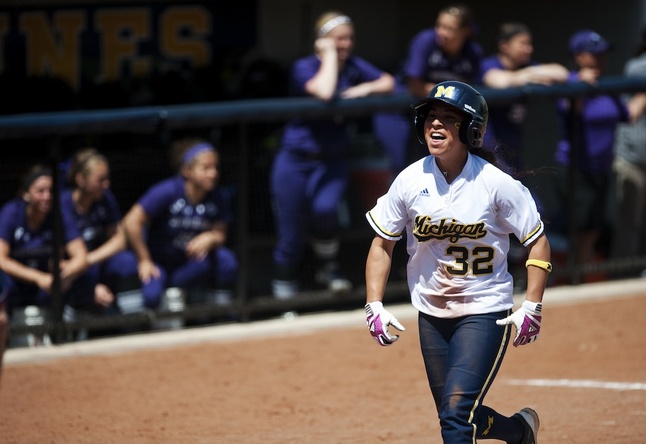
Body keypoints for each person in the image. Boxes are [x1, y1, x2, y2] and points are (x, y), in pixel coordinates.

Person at [364, 81, 550, 443]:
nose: (436, 125)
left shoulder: (495, 183)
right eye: (431, 117)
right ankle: (519, 432)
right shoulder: (410, 180)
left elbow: (537, 241)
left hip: (484, 310)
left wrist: (533, 304)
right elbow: (381, 245)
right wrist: (373, 303)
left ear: (471, 129)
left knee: (455, 415)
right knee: (460, 414)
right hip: (432, 313)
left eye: (449, 119)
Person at [270, 10, 395, 299]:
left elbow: (388, 82)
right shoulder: (305, 66)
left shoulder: (353, 66)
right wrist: (328, 55)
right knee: (290, 232)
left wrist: (364, 88)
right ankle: (282, 298)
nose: (346, 44)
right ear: (323, 41)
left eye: (349, 38)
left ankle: (327, 268)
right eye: (339, 38)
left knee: (325, 210)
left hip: (332, 158)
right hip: (295, 158)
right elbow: (325, 91)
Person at [122, 138, 238, 313]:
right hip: (159, 263)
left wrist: (211, 237)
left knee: (225, 260)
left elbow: (221, 234)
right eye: (206, 168)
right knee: (151, 296)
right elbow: (131, 221)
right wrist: (144, 259)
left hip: (188, 264)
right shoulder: (167, 190)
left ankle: (220, 314)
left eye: (215, 168)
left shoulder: (218, 196)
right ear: (187, 171)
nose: (213, 173)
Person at [373, 4, 483, 176]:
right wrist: (453, 98)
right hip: (399, 112)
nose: (441, 32)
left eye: (449, 28)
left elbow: (471, 87)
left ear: (465, 31)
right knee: (402, 169)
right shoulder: (425, 41)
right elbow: (415, 85)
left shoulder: (472, 52)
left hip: (435, 114)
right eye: (439, 26)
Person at [552, 30, 630, 267]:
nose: (601, 59)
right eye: (594, 54)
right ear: (579, 56)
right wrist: (579, 83)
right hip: (576, 169)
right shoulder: (570, 84)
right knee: (580, 229)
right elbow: (570, 107)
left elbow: (628, 114)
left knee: (593, 229)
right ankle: (573, 279)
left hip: (601, 169)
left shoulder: (607, 86)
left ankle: (582, 277)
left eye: (603, 54)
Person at [0, 164, 90, 344]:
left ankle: (66, 333)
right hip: (17, 282)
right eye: (40, 191)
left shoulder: (59, 214)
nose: (46, 196)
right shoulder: (12, 212)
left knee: (84, 278)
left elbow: (81, 256)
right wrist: (38, 277)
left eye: (50, 191)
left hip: (48, 285)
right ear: (26, 193)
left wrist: (66, 272)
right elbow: (1, 258)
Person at [61, 148, 140, 330]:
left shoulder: (105, 199)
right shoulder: (63, 203)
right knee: (74, 273)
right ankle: (71, 330)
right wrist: (85, 274)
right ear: (81, 179)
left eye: (107, 179)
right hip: (70, 271)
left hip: (93, 262)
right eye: (100, 180)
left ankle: (133, 326)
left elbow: (119, 241)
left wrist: (87, 260)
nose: (106, 185)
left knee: (126, 261)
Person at [480, 21, 569, 173]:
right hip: (488, 147)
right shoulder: (489, 64)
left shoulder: (527, 66)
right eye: (523, 44)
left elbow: (561, 73)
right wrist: (527, 76)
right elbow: (499, 81)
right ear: (504, 46)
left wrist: (524, 75)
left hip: (513, 147)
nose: (529, 49)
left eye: (529, 44)